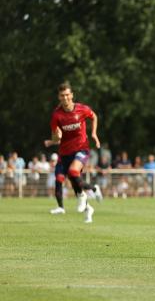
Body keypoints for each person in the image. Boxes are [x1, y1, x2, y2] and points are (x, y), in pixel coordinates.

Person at [44, 81, 102, 223]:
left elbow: (94, 116)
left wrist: (94, 133)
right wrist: (56, 137)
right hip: (65, 153)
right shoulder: (56, 115)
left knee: (73, 172)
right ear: (59, 97)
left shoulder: (82, 109)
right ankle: (90, 203)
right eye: (62, 95)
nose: (65, 98)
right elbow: (54, 135)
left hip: (82, 148)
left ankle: (84, 196)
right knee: (74, 180)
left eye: (67, 95)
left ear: (72, 95)